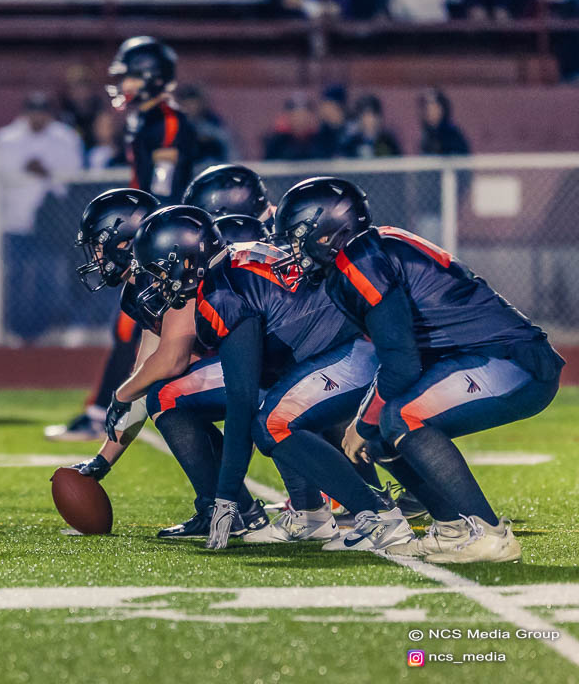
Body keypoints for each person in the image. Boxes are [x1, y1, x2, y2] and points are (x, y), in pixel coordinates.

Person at [272, 178, 564, 563]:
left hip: (508, 360)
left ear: (328, 233)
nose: (293, 251)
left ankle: (487, 532)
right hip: (486, 357)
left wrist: (363, 422)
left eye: (297, 238)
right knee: (382, 432)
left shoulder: (360, 260)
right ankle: (453, 527)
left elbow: (401, 361)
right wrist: (367, 423)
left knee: (397, 418)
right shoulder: (368, 251)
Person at [133, 206, 411, 552]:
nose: (156, 283)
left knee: (271, 424)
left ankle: (378, 516)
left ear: (187, 259)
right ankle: (311, 515)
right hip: (347, 340)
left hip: (355, 348)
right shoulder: (234, 260)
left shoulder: (221, 293)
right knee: (274, 406)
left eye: (159, 271)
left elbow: (241, 400)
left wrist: (225, 498)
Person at [69, 186, 270, 539]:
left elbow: (172, 360)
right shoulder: (141, 288)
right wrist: (103, 460)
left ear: (124, 243)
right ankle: (230, 508)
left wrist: (121, 394)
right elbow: (147, 370)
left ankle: (235, 508)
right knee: (162, 394)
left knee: (167, 396)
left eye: (99, 245)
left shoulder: (174, 270)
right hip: (243, 366)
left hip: (265, 364)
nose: (96, 257)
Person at [47, 35, 196, 441]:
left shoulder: (167, 122)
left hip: (160, 241)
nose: (123, 84)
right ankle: (105, 409)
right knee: (130, 328)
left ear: (151, 77)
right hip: (150, 235)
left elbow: (163, 192)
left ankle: (106, 412)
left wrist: (143, 241)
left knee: (135, 328)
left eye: (129, 76)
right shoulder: (143, 119)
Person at [0, 92, 83, 343]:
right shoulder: (5, 139)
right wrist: (27, 169)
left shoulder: (65, 138)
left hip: (50, 222)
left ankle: (43, 331)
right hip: (14, 220)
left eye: (42, 112)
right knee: (15, 275)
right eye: (33, 112)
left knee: (48, 275)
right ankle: (14, 330)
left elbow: (74, 175)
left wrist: (46, 172)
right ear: (25, 113)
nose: (38, 117)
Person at [176, 85, 233, 167]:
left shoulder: (214, 125)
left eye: (193, 104)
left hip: (211, 167)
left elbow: (230, 150)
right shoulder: (175, 126)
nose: (190, 108)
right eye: (186, 104)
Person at [263, 95, 323, 161]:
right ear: (286, 117)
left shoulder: (321, 139)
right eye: (295, 115)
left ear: (311, 117)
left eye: (304, 115)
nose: (300, 119)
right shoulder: (276, 141)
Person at [418, 88, 470, 155]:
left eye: (435, 108)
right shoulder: (425, 137)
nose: (431, 112)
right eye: (428, 109)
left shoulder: (453, 135)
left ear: (443, 109)